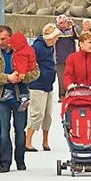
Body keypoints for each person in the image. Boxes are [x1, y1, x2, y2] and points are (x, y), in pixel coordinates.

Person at [0, 25, 40, 173]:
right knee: (4, 132)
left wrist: (23, 77)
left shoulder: (24, 52)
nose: (0, 42)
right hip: (1, 98)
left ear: (10, 38)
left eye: (3, 39)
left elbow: (35, 72)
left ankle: (20, 160)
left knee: (20, 131)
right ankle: (5, 163)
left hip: (20, 97)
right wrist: (7, 78)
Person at [25, 23, 60, 152]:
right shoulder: (37, 47)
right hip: (37, 85)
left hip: (48, 85)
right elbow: (31, 64)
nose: (57, 40)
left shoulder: (50, 47)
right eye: (55, 37)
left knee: (47, 115)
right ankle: (27, 141)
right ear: (50, 37)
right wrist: (39, 74)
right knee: (37, 113)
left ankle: (45, 141)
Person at [8, 31, 37, 112]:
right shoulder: (29, 49)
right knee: (25, 86)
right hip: (30, 69)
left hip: (23, 72)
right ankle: (25, 97)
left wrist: (21, 73)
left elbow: (22, 64)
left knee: (21, 86)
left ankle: (24, 99)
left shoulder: (20, 53)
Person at [54, 15, 79, 101]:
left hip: (71, 58)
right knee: (61, 78)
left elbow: (80, 35)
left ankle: (72, 93)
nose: (63, 24)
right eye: (61, 22)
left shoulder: (72, 30)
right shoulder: (55, 31)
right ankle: (62, 95)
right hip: (59, 58)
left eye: (65, 22)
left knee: (72, 77)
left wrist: (73, 25)